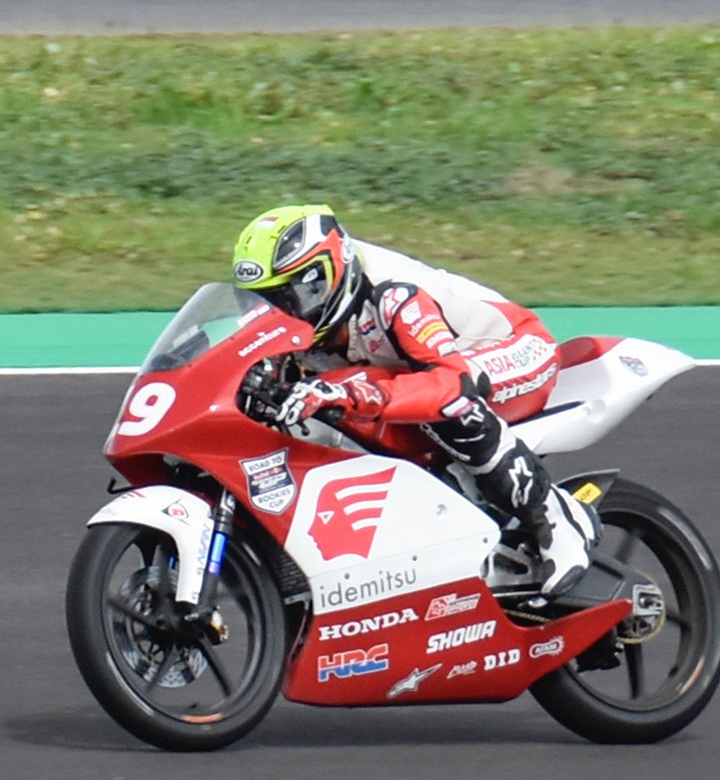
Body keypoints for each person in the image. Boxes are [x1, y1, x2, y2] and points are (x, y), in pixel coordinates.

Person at [225, 204, 597, 596]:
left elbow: (449, 383)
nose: (279, 313)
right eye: (262, 301)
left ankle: (554, 515)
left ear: (329, 275)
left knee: (448, 403)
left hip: (511, 349)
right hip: (420, 368)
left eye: (291, 296)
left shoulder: (393, 294)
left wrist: (350, 393)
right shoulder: (303, 324)